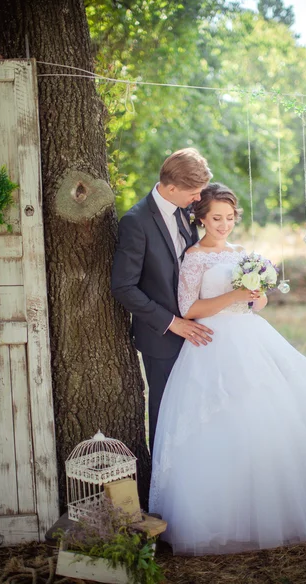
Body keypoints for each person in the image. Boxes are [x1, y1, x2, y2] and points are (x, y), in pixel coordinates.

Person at [149, 182, 306, 556]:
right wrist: (235, 296)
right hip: (212, 343)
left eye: (229, 217)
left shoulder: (243, 253)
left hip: (252, 338)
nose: (224, 224)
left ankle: (275, 503)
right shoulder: (194, 257)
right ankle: (226, 512)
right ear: (201, 218)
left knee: (269, 410)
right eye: (216, 218)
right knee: (225, 419)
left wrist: (256, 296)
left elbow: (260, 303)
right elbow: (189, 308)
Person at [111, 148, 214, 456]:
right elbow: (123, 286)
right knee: (167, 411)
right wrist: (173, 323)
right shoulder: (136, 221)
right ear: (171, 188)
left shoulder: (185, 209)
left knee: (200, 406)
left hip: (199, 329)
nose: (197, 198)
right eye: (193, 192)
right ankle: (162, 485)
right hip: (162, 337)